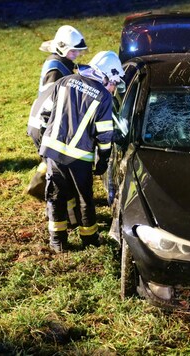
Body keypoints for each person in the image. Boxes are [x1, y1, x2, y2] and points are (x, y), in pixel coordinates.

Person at [39, 51, 124, 253]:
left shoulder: (64, 81)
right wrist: (103, 158)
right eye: (113, 82)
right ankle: (89, 239)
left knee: (55, 194)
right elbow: (104, 134)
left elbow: (45, 113)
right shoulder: (103, 96)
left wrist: (47, 138)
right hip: (80, 156)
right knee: (84, 198)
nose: (113, 88)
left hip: (53, 151)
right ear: (105, 75)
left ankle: (57, 241)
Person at [25, 25, 87, 199]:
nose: (77, 54)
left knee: (51, 161)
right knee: (58, 168)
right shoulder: (55, 69)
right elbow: (51, 102)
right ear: (61, 47)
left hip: (45, 124)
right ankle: (54, 201)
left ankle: (38, 186)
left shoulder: (61, 63)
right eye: (73, 51)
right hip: (45, 124)